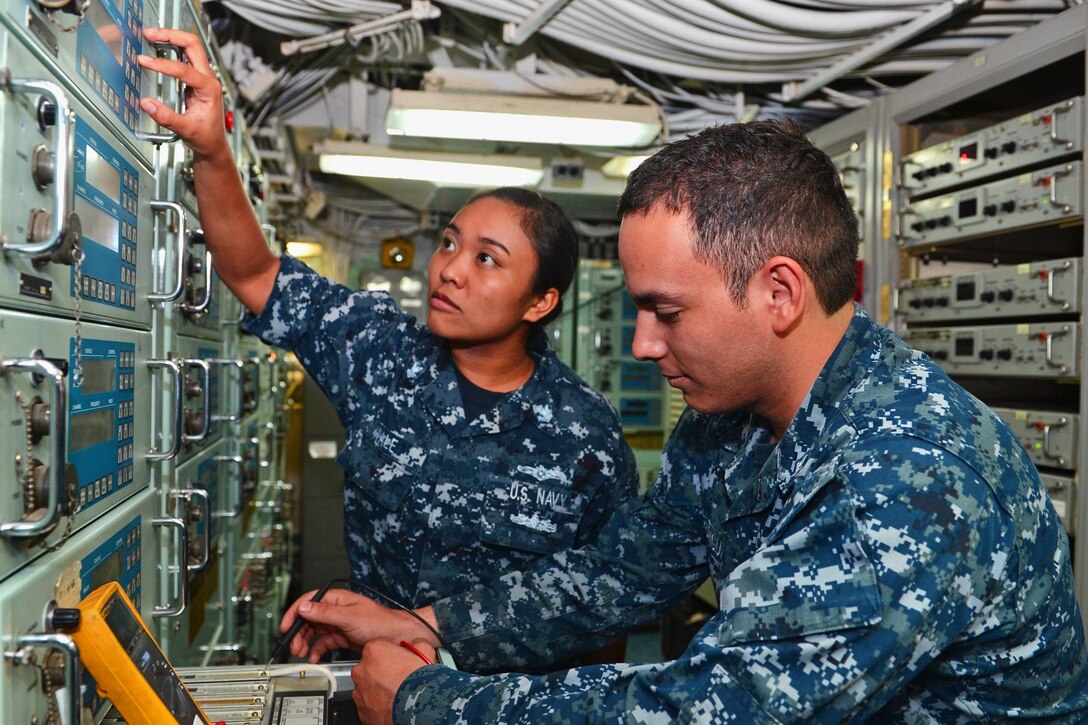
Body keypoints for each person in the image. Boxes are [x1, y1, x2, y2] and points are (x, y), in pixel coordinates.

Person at [277, 119, 1088, 723]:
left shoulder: (903, 473)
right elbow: (617, 575)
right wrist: (422, 621)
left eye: (666, 310)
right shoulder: (722, 429)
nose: (642, 343)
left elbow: (717, 707)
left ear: (779, 292)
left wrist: (428, 700)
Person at [136, 30, 639, 634]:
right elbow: (254, 273)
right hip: (375, 687)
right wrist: (213, 151)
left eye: (487, 258)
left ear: (540, 302)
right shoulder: (380, 351)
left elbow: (606, 601)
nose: (448, 268)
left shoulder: (586, 433)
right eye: (449, 242)